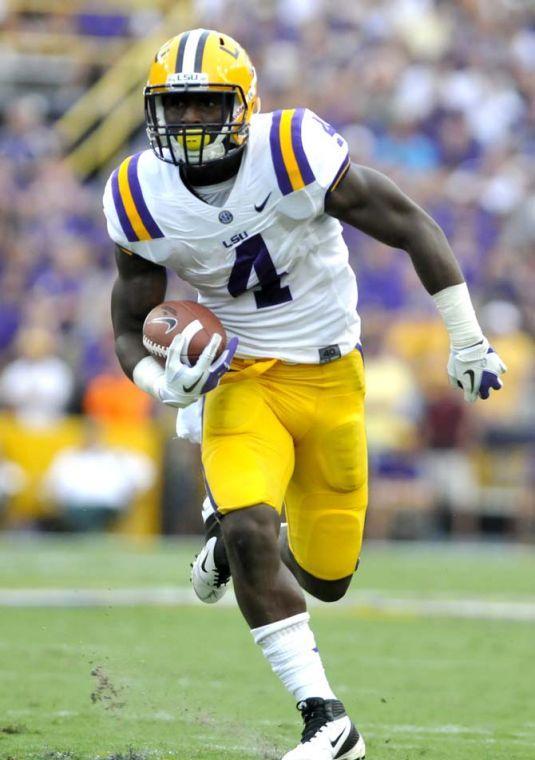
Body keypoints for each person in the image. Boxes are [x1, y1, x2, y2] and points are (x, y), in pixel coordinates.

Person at [103, 29, 506, 760]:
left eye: (204, 107)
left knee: (327, 580)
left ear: (243, 105)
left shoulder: (290, 149)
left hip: (331, 378)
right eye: (175, 108)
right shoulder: (138, 193)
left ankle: (228, 544)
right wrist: (161, 383)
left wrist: (467, 338)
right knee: (253, 528)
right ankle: (327, 720)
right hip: (242, 382)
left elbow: (411, 224)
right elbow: (129, 324)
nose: (189, 123)